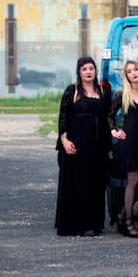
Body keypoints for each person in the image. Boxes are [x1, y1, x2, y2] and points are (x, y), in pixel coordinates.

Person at [55, 56, 112, 237]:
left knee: (96, 185)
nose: (88, 72)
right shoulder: (72, 91)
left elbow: (108, 117)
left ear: (96, 71)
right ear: (79, 72)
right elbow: (63, 116)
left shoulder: (103, 91)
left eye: (91, 68)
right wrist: (64, 140)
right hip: (76, 146)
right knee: (79, 185)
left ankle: (95, 224)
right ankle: (79, 225)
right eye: (84, 69)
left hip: (98, 146)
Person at [108, 60, 138, 238]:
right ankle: (128, 222)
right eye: (129, 71)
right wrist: (114, 131)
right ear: (126, 76)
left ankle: (121, 215)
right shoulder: (122, 94)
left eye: (136, 70)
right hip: (128, 143)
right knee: (133, 181)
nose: (133, 73)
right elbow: (110, 116)